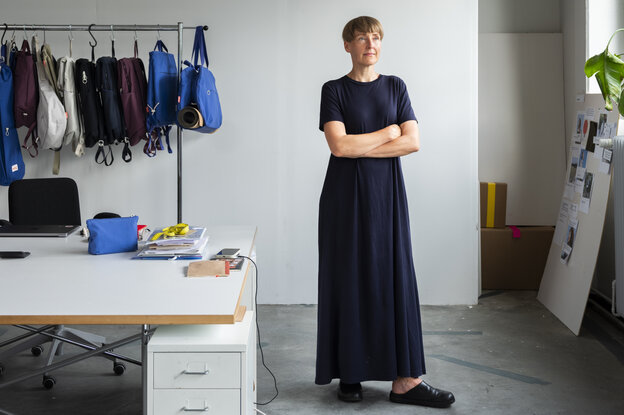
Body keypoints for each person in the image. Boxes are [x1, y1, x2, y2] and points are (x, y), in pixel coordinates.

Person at [316, 16, 455, 408]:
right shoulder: (334, 90)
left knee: (394, 278)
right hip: (343, 199)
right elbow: (338, 147)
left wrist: (369, 144)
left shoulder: (396, 87)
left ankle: (406, 381)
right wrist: (386, 132)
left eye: (375, 38)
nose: (370, 44)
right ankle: (350, 374)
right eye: (361, 38)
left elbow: (412, 142)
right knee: (348, 278)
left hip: (387, 197)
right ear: (348, 45)